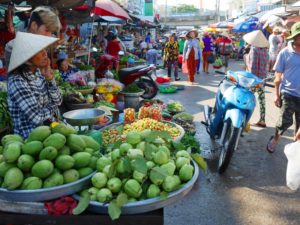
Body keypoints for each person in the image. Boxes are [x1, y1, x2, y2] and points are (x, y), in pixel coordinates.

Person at [7, 32, 62, 139]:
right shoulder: (17, 81)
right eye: (39, 51)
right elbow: (37, 118)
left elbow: (59, 100)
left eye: (44, 49)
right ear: (27, 58)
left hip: (49, 133)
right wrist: (53, 107)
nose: (45, 54)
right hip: (29, 139)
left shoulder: (39, 73)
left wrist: (50, 80)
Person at [266, 22, 300, 153]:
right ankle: (275, 139)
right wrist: (276, 94)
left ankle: (295, 149)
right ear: (294, 37)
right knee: (284, 122)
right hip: (288, 93)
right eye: (299, 36)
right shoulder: (285, 53)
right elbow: (278, 74)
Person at [243, 30, 269, 128]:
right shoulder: (265, 51)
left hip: (253, 80)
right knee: (262, 100)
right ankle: (262, 120)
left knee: (247, 99)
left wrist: (246, 55)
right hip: (262, 79)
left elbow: (253, 66)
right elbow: (266, 64)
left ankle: (244, 120)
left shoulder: (254, 49)